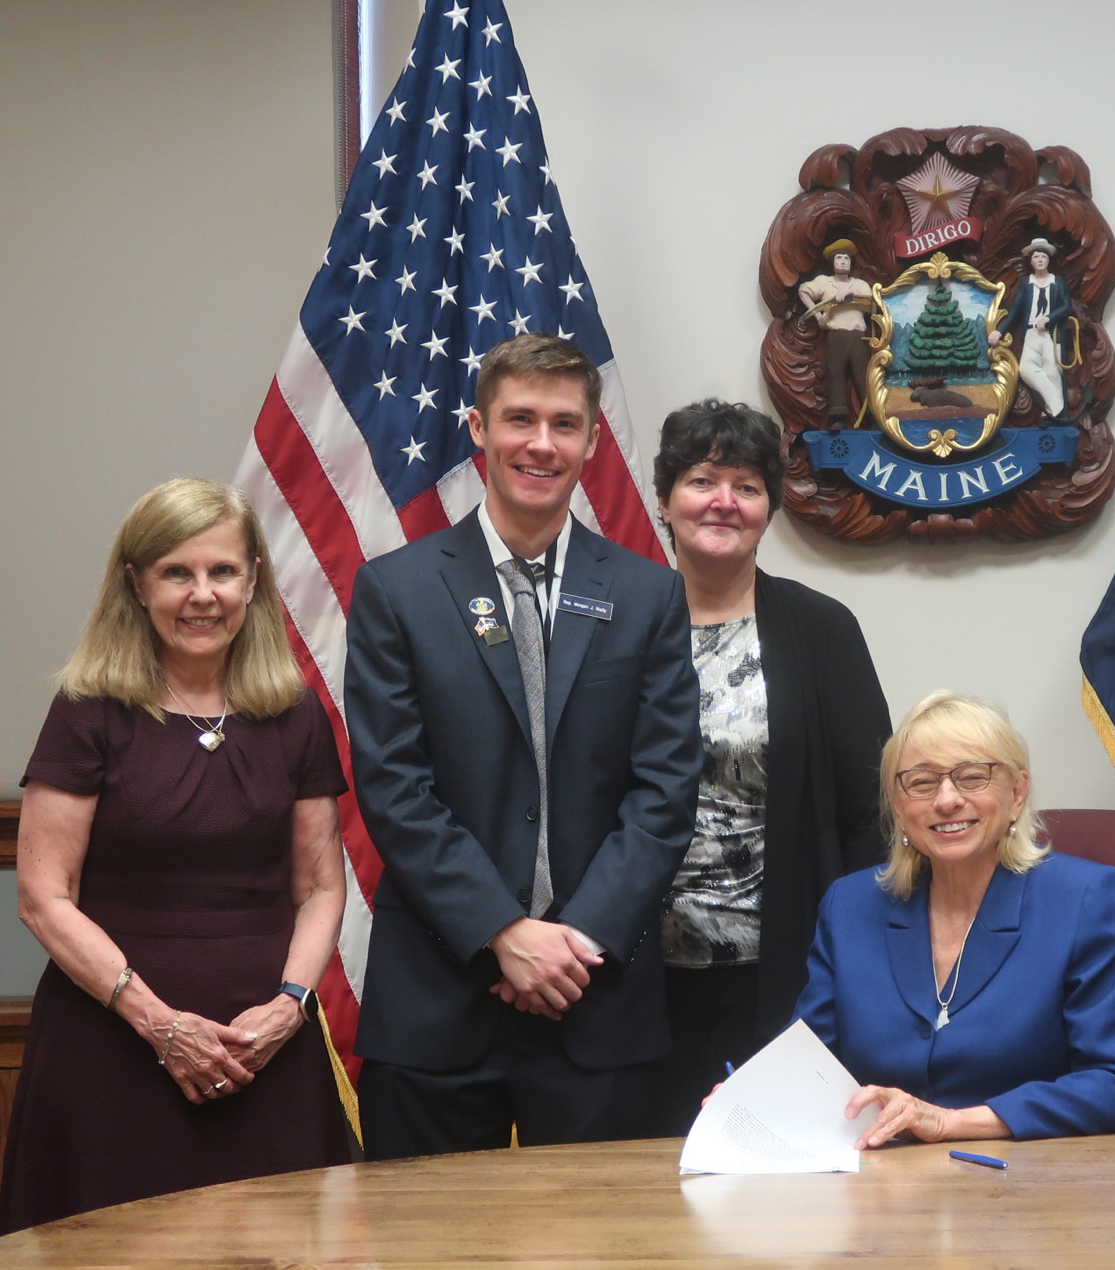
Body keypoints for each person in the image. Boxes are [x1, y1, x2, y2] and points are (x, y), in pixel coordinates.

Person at [344, 333, 702, 1158]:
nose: (541, 444)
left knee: (605, 1249)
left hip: (597, 995)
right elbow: (395, 788)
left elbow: (665, 791)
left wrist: (573, 941)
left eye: (564, 424)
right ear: (478, 428)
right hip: (440, 995)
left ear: (590, 439)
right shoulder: (396, 590)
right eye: (520, 419)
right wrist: (505, 932)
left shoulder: (649, 595)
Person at [1, 479, 349, 1231]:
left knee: (283, 1245)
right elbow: (42, 896)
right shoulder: (89, 709)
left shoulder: (293, 713)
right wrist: (160, 1023)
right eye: (176, 573)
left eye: (222, 572)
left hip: (264, 1050)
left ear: (253, 580)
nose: (203, 595)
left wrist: (289, 1007)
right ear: (136, 584)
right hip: (112, 1047)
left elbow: (321, 886)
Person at [647, 398, 891, 1135]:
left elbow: (869, 814)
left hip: (787, 973)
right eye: (702, 480)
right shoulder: (618, 624)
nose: (724, 501)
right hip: (637, 982)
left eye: (747, 486)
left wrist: (855, 962)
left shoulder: (820, 629)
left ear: (769, 509)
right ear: (665, 500)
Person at [794, 692, 1115, 1147]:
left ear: (1017, 793)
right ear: (896, 804)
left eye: (972, 777)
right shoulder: (849, 905)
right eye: (922, 782)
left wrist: (951, 1123)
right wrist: (757, 1094)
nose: (947, 800)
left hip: (1029, 1190)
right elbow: (806, 1065)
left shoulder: (1087, 900)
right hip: (879, 1188)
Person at [987, 237, 1073, 422]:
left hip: (1051, 334)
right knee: (1025, 369)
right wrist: (999, 331)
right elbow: (1014, 312)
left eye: (1043, 256)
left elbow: (1067, 307)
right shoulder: (1026, 285)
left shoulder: (1057, 282)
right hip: (1032, 333)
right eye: (1036, 257)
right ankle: (1058, 408)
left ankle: (1049, 413)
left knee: (1052, 371)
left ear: (1048, 260)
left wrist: (1049, 318)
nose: (1040, 259)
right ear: (1031, 261)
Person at [796, 239, 875, 430]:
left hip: (857, 337)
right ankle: (837, 417)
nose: (842, 261)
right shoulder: (825, 282)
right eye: (838, 258)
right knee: (835, 375)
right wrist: (818, 314)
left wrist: (848, 299)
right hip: (835, 336)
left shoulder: (860, 284)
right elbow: (803, 291)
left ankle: (873, 416)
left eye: (846, 258)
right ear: (832, 262)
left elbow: (871, 305)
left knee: (863, 377)